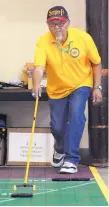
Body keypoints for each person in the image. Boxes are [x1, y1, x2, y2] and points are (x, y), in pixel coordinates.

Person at [32, 6, 102, 173]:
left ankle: (71, 159)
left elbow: (96, 63)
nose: (57, 27)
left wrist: (97, 86)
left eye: (61, 23)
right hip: (56, 89)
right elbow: (38, 68)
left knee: (76, 116)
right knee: (57, 126)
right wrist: (35, 84)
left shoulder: (83, 38)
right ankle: (60, 149)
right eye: (52, 24)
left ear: (68, 22)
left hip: (80, 84)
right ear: (47, 25)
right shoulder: (43, 42)